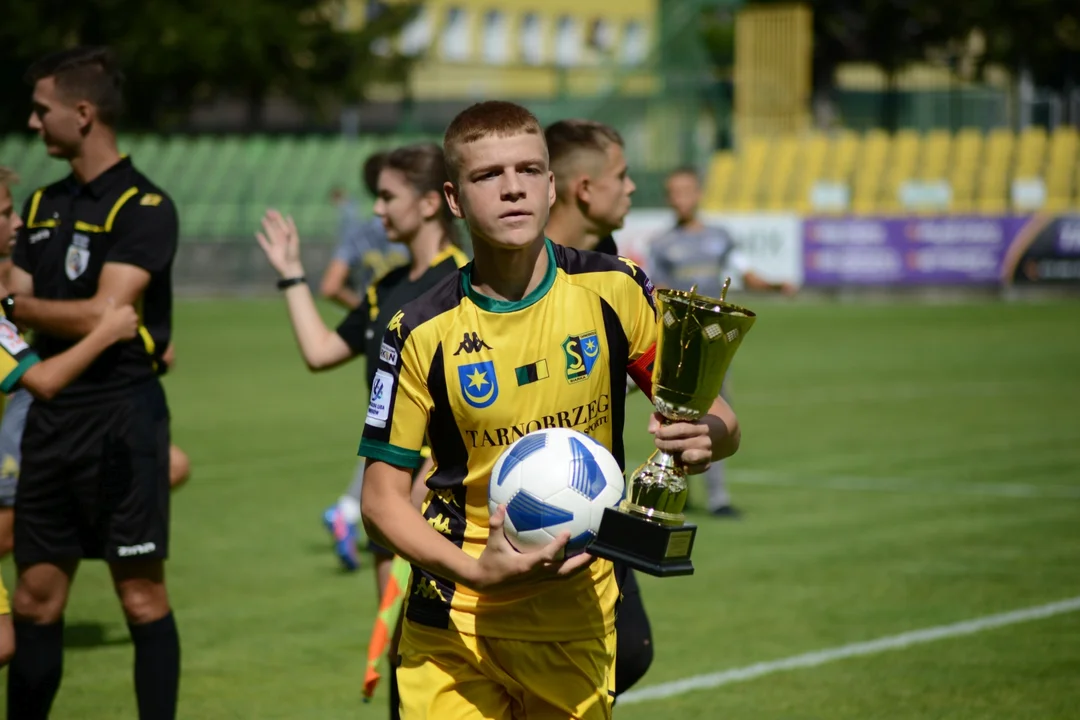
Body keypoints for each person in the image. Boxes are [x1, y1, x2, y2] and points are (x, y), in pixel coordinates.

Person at [358, 100, 741, 720]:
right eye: (488, 176)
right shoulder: (419, 329)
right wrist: (474, 572)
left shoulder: (615, 290)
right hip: (452, 624)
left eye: (529, 170)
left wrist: (710, 436)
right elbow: (379, 501)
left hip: (574, 619)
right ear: (455, 199)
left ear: (552, 184)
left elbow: (718, 416)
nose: (513, 188)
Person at [5, 47, 180, 719]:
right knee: (35, 601)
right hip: (47, 416)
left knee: (141, 598)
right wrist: (21, 304)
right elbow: (35, 297)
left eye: (42, 110)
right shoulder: (42, 201)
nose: (32, 121)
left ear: (82, 113)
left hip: (120, 421)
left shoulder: (146, 206)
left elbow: (101, 314)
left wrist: (16, 308)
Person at [543, 118, 655, 698]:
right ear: (584, 187)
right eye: (622, 174)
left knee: (630, 650)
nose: (632, 187)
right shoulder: (513, 269)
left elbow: (695, 406)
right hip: (510, 516)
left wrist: (703, 428)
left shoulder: (619, 276)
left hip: (598, 504)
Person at [651, 166, 796, 518]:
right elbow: (654, 294)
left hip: (713, 349)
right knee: (668, 420)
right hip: (676, 350)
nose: (680, 198)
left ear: (698, 193)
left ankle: (717, 499)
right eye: (674, 192)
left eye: (686, 190)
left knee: (715, 418)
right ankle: (666, 489)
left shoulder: (720, 236)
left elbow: (744, 272)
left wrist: (775, 286)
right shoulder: (661, 244)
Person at [319, 153, 400, 309]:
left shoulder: (358, 234)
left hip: (376, 329)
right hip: (415, 326)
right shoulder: (415, 229)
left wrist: (368, 312)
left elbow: (330, 287)